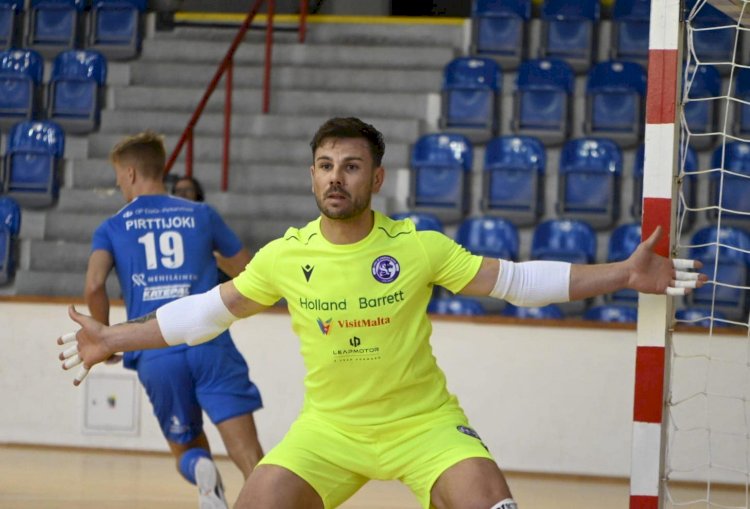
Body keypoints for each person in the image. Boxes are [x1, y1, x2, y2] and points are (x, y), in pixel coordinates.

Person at [60, 117, 706, 509]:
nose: (335, 177)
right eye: (325, 165)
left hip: (422, 423)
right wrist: (110, 335)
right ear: (312, 177)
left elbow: (514, 280)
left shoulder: (417, 246)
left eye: (350, 166)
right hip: (330, 430)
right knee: (259, 500)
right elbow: (202, 313)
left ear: (378, 177)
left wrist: (622, 273)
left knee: (493, 500)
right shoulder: (288, 255)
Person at [80, 131, 264, 509]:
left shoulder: (112, 227)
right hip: (211, 344)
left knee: (186, 450)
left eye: (118, 178)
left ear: (129, 174)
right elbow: (247, 270)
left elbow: (95, 285)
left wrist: (105, 337)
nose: (118, 185)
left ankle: (201, 472)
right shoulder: (201, 214)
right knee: (250, 456)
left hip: (153, 349)